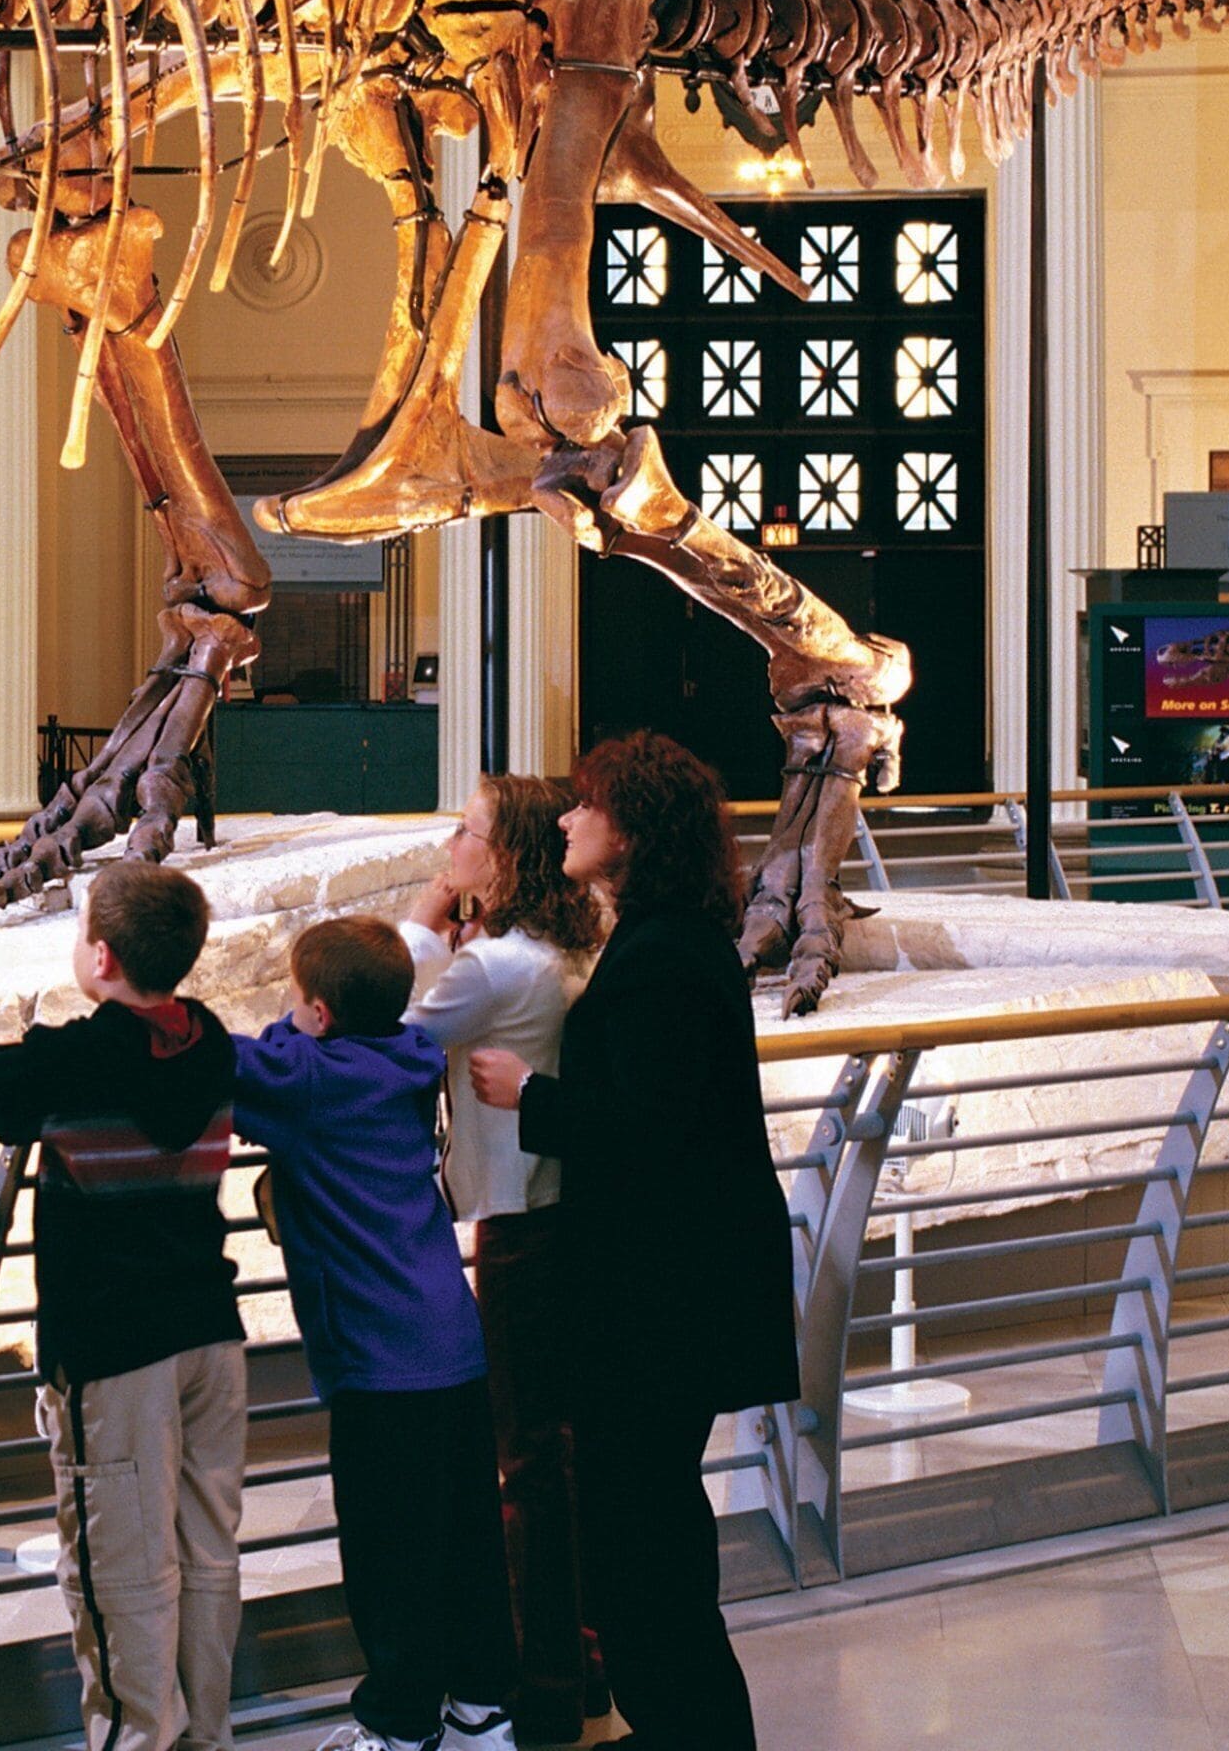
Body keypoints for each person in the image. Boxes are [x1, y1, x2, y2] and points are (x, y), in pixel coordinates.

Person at [465, 734, 796, 1751]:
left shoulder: (660, 957)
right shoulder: (670, 939)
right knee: (651, 1536)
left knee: (644, 1552)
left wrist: (533, 1097)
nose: (566, 819)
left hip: (663, 1303)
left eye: (587, 805)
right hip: (670, 1295)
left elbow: (652, 1128)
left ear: (633, 830)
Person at [0, 860, 244, 1751]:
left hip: (114, 1349)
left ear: (102, 956)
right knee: (205, 1554)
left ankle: (137, 1737)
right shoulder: (215, 1041)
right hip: (210, 1332)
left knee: (121, 1570)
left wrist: (41, 1050)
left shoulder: (76, 1060)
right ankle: (207, 1735)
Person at [229, 917, 519, 1751]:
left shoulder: (311, 1078)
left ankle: (396, 1727)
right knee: (466, 1538)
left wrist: (293, 1029)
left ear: (318, 1013)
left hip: (379, 1362)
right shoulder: (409, 1057)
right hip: (451, 1344)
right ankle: (481, 1712)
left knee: (389, 1555)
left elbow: (223, 1058)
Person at [401, 774, 606, 1744]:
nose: (452, 842)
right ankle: (581, 1666)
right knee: (555, 1456)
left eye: (469, 831)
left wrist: (422, 918)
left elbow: (385, 1032)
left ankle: (545, 1688)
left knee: (524, 1462)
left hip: (523, 1230)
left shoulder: (495, 970)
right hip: (564, 1221)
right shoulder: (557, 950)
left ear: (507, 855)